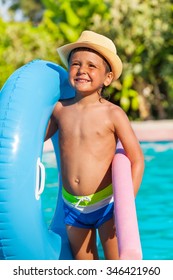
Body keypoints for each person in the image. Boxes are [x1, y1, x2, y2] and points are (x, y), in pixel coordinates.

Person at [45, 30, 144, 260]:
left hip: (108, 205)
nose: (82, 70)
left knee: (116, 266)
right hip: (72, 207)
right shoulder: (60, 110)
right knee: (85, 269)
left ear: (107, 78)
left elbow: (137, 159)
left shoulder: (113, 114)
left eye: (92, 66)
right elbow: (34, 140)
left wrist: (125, 209)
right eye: (76, 64)